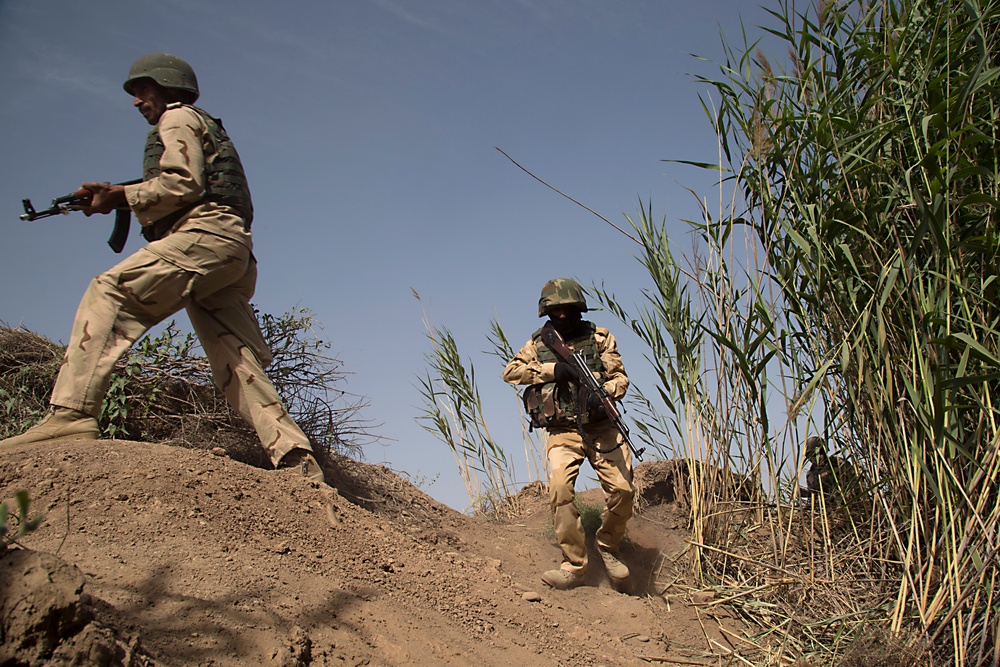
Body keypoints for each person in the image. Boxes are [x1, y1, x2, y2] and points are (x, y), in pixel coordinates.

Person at [0, 53, 324, 484]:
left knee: (109, 290)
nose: (136, 101)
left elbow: (182, 183)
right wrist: (122, 195)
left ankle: (71, 414)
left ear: (168, 84)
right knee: (235, 357)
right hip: (231, 251)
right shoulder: (202, 123)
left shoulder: (176, 118)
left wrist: (120, 196)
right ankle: (294, 457)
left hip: (205, 237)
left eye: (142, 90)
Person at [503, 278, 635, 590]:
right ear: (547, 313)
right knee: (560, 490)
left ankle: (608, 548)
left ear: (579, 308)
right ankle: (575, 565)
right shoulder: (539, 344)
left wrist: (603, 390)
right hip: (563, 430)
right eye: (555, 311)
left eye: (568, 309)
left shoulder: (600, 338)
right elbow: (511, 372)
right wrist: (552, 372)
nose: (562, 316)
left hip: (602, 427)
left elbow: (621, 379)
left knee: (624, 491)